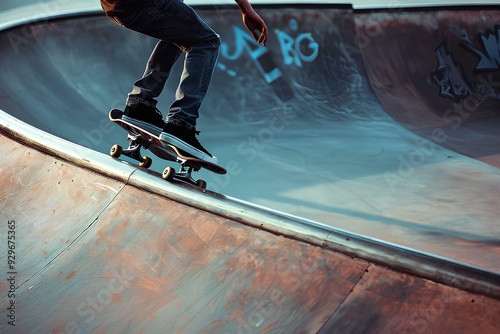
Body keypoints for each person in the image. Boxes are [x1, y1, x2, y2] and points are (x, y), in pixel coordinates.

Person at [100, 0, 268, 164]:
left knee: (182, 32)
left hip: (116, 7)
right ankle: (182, 124)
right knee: (207, 42)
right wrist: (246, 9)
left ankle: (140, 105)